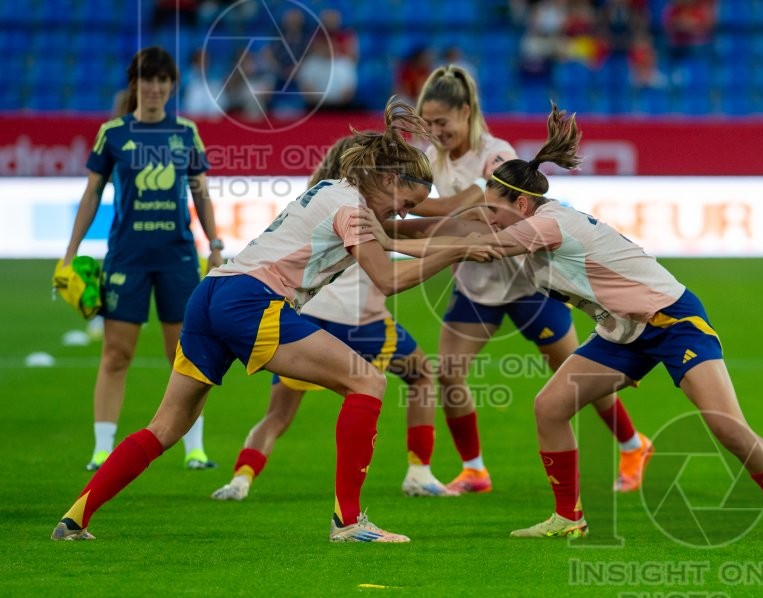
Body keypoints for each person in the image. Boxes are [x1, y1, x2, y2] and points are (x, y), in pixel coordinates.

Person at [50, 97, 506, 543]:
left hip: (210, 294)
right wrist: (457, 249)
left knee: (165, 427)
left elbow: (396, 235)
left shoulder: (332, 190)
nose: (404, 211)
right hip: (252, 303)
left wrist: (457, 236)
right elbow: (386, 278)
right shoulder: (353, 209)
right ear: (387, 177)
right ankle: (348, 523)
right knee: (369, 382)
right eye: (405, 200)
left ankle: (74, 518)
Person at [378, 103, 763, 541]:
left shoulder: (548, 225)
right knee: (550, 407)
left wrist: (382, 242)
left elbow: (471, 245)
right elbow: (456, 230)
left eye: (495, 211)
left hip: (673, 322)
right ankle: (567, 517)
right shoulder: (526, 217)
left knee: (725, 425)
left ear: (520, 202)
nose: (489, 218)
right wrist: (382, 230)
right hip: (622, 332)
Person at [412, 65, 652, 495]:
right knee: (449, 374)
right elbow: (452, 216)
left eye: (441, 122)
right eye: (427, 123)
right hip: (476, 284)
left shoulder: (495, 154)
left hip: (529, 284)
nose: (434, 131)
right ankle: (474, 470)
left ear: (466, 111)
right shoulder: (433, 158)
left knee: (579, 376)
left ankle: (633, 446)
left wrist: (406, 210)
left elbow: (476, 206)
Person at [210, 133, 456, 501]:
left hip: (304, 320)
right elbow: (408, 243)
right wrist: (466, 230)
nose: (403, 209)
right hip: (361, 321)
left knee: (278, 415)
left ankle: (241, 479)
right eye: (405, 202)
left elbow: (412, 222)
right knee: (419, 373)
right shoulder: (362, 213)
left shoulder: (320, 197)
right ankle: (416, 475)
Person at [61, 46, 223, 472]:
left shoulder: (185, 132)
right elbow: (92, 193)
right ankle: (101, 448)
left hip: (178, 258)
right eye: (147, 80)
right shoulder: (113, 132)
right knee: (116, 354)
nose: (154, 87)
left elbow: (201, 193)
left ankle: (195, 448)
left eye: (162, 80)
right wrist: (70, 252)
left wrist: (216, 244)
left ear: (172, 85)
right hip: (126, 258)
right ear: (135, 85)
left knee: (186, 356)